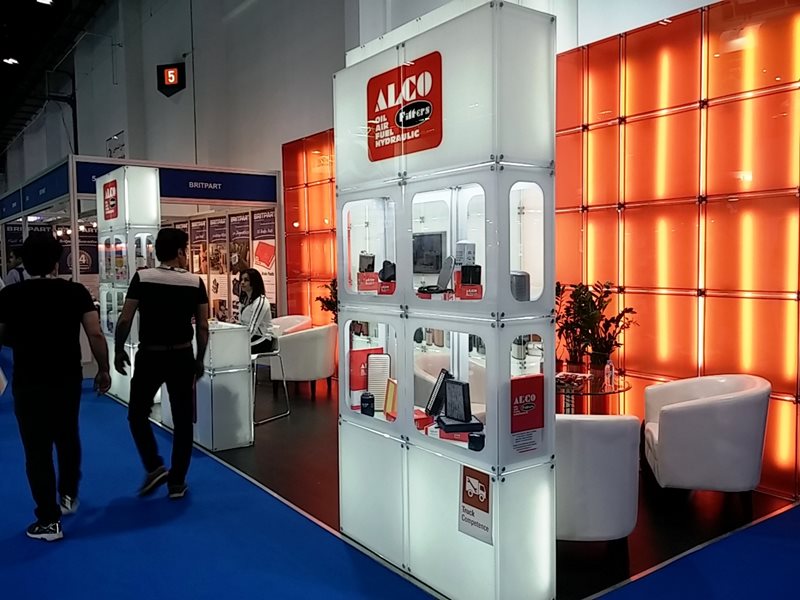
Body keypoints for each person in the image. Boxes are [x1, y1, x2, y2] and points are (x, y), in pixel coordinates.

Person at [0, 232, 111, 541]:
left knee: (36, 449)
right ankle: (69, 494)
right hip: (67, 378)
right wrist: (103, 369)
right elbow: (95, 333)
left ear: (24, 262)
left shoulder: (10, 295)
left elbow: (1, 335)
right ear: (56, 261)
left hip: (28, 380)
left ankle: (49, 520)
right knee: (67, 436)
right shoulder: (75, 291)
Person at [114, 228, 209, 500]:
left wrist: (119, 350)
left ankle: (154, 466)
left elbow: (125, 318)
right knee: (183, 421)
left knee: (136, 414)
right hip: (181, 355)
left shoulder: (142, 277)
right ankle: (177, 483)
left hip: (150, 356)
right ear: (180, 252)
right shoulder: (195, 282)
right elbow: (203, 326)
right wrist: (199, 359)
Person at [239, 268, 275, 354]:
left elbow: (252, 328)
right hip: (250, 337)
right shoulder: (244, 300)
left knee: (236, 349)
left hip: (263, 339)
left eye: (246, 280)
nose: (242, 282)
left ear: (254, 282)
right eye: (241, 280)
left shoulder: (261, 301)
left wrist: (240, 342)